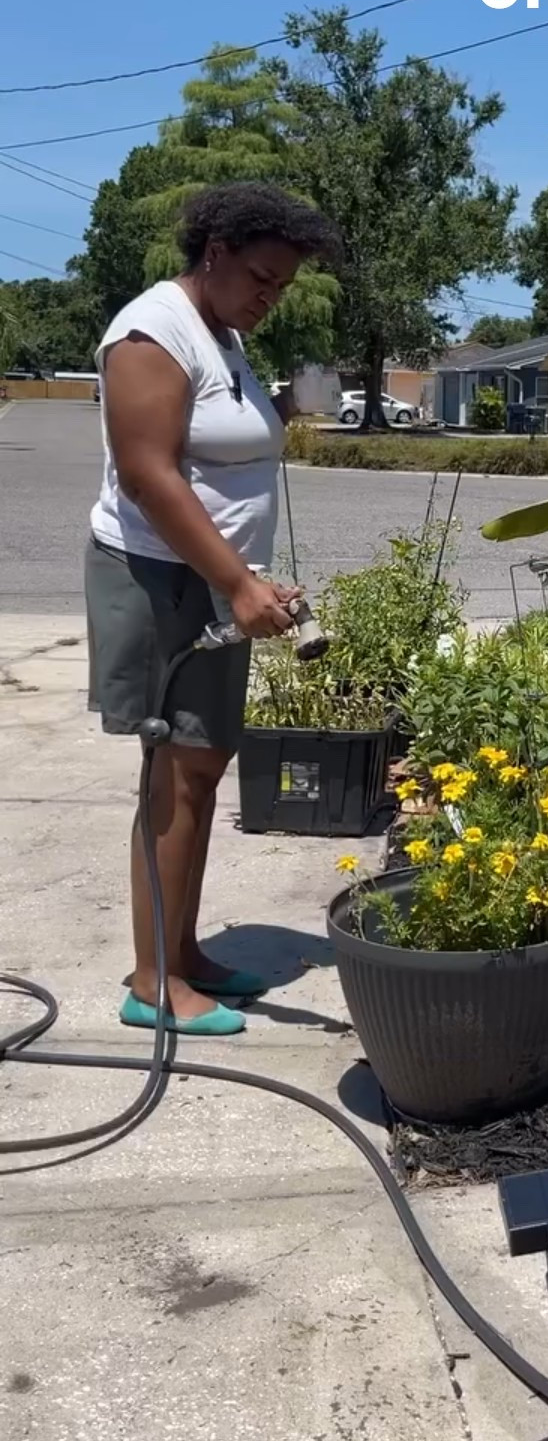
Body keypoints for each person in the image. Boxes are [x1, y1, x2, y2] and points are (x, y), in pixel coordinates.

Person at [85, 181, 341, 1036]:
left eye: (283, 286)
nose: (270, 298)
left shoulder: (219, 335)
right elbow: (147, 474)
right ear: (216, 253)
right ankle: (154, 982)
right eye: (262, 278)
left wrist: (251, 577)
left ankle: (183, 953)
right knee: (175, 774)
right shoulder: (153, 332)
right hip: (161, 579)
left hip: (214, 578)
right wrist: (236, 584)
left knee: (203, 766)